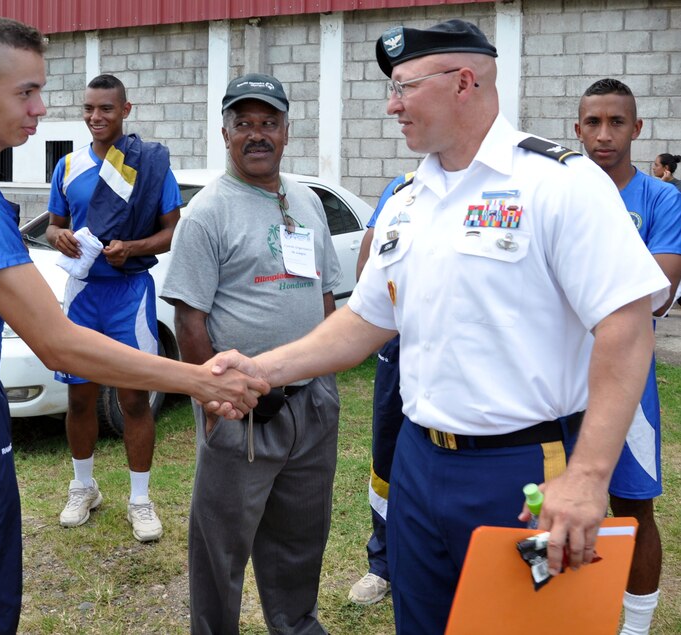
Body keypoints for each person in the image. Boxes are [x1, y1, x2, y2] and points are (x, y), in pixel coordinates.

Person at [207, 20, 670, 634]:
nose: (391, 105)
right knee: (421, 622)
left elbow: (627, 325)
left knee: (527, 627)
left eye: (404, 87)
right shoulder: (408, 200)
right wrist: (262, 370)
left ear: (464, 82)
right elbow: (363, 322)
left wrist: (587, 478)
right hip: (419, 465)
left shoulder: (558, 184)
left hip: (523, 469)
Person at [0, 17, 266, 635]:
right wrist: (198, 379)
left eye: (42, 90)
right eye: (25, 92)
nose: (41, 110)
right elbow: (55, 340)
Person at [161, 73, 342, 634]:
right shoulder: (208, 213)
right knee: (222, 547)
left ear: (287, 132)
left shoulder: (308, 203)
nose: (257, 135)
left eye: (269, 123)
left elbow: (327, 296)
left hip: (311, 402)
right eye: (244, 124)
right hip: (239, 407)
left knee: (301, 534)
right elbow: (190, 319)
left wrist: (327, 381)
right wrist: (220, 403)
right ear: (225, 133)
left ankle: (296, 625)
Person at [45, 74, 180, 541]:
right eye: (88, 109)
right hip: (83, 294)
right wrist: (57, 237)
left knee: (133, 397)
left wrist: (134, 245)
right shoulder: (67, 165)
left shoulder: (150, 163)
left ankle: (140, 499)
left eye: (105, 109)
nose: (95, 117)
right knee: (80, 395)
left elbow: (170, 231)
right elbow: (54, 226)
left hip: (128, 292)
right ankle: (83, 487)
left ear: (126, 109)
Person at [575, 78, 681, 635]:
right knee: (550, 502)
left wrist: (577, 289)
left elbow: (658, 288)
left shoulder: (663, 199)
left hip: (627, 382)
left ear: (637, 129)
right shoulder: (559, 191)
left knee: (632, 507)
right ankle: (564, 616)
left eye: (617, 122)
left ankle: (635, 629)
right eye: (593, 122)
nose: (604, 134)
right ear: (577, 130)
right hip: (555, 379)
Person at [348, 172, 411, 606]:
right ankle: (382, 565)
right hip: (399, 348)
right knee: (386, 455)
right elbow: (368, 265)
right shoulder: (399, 189)